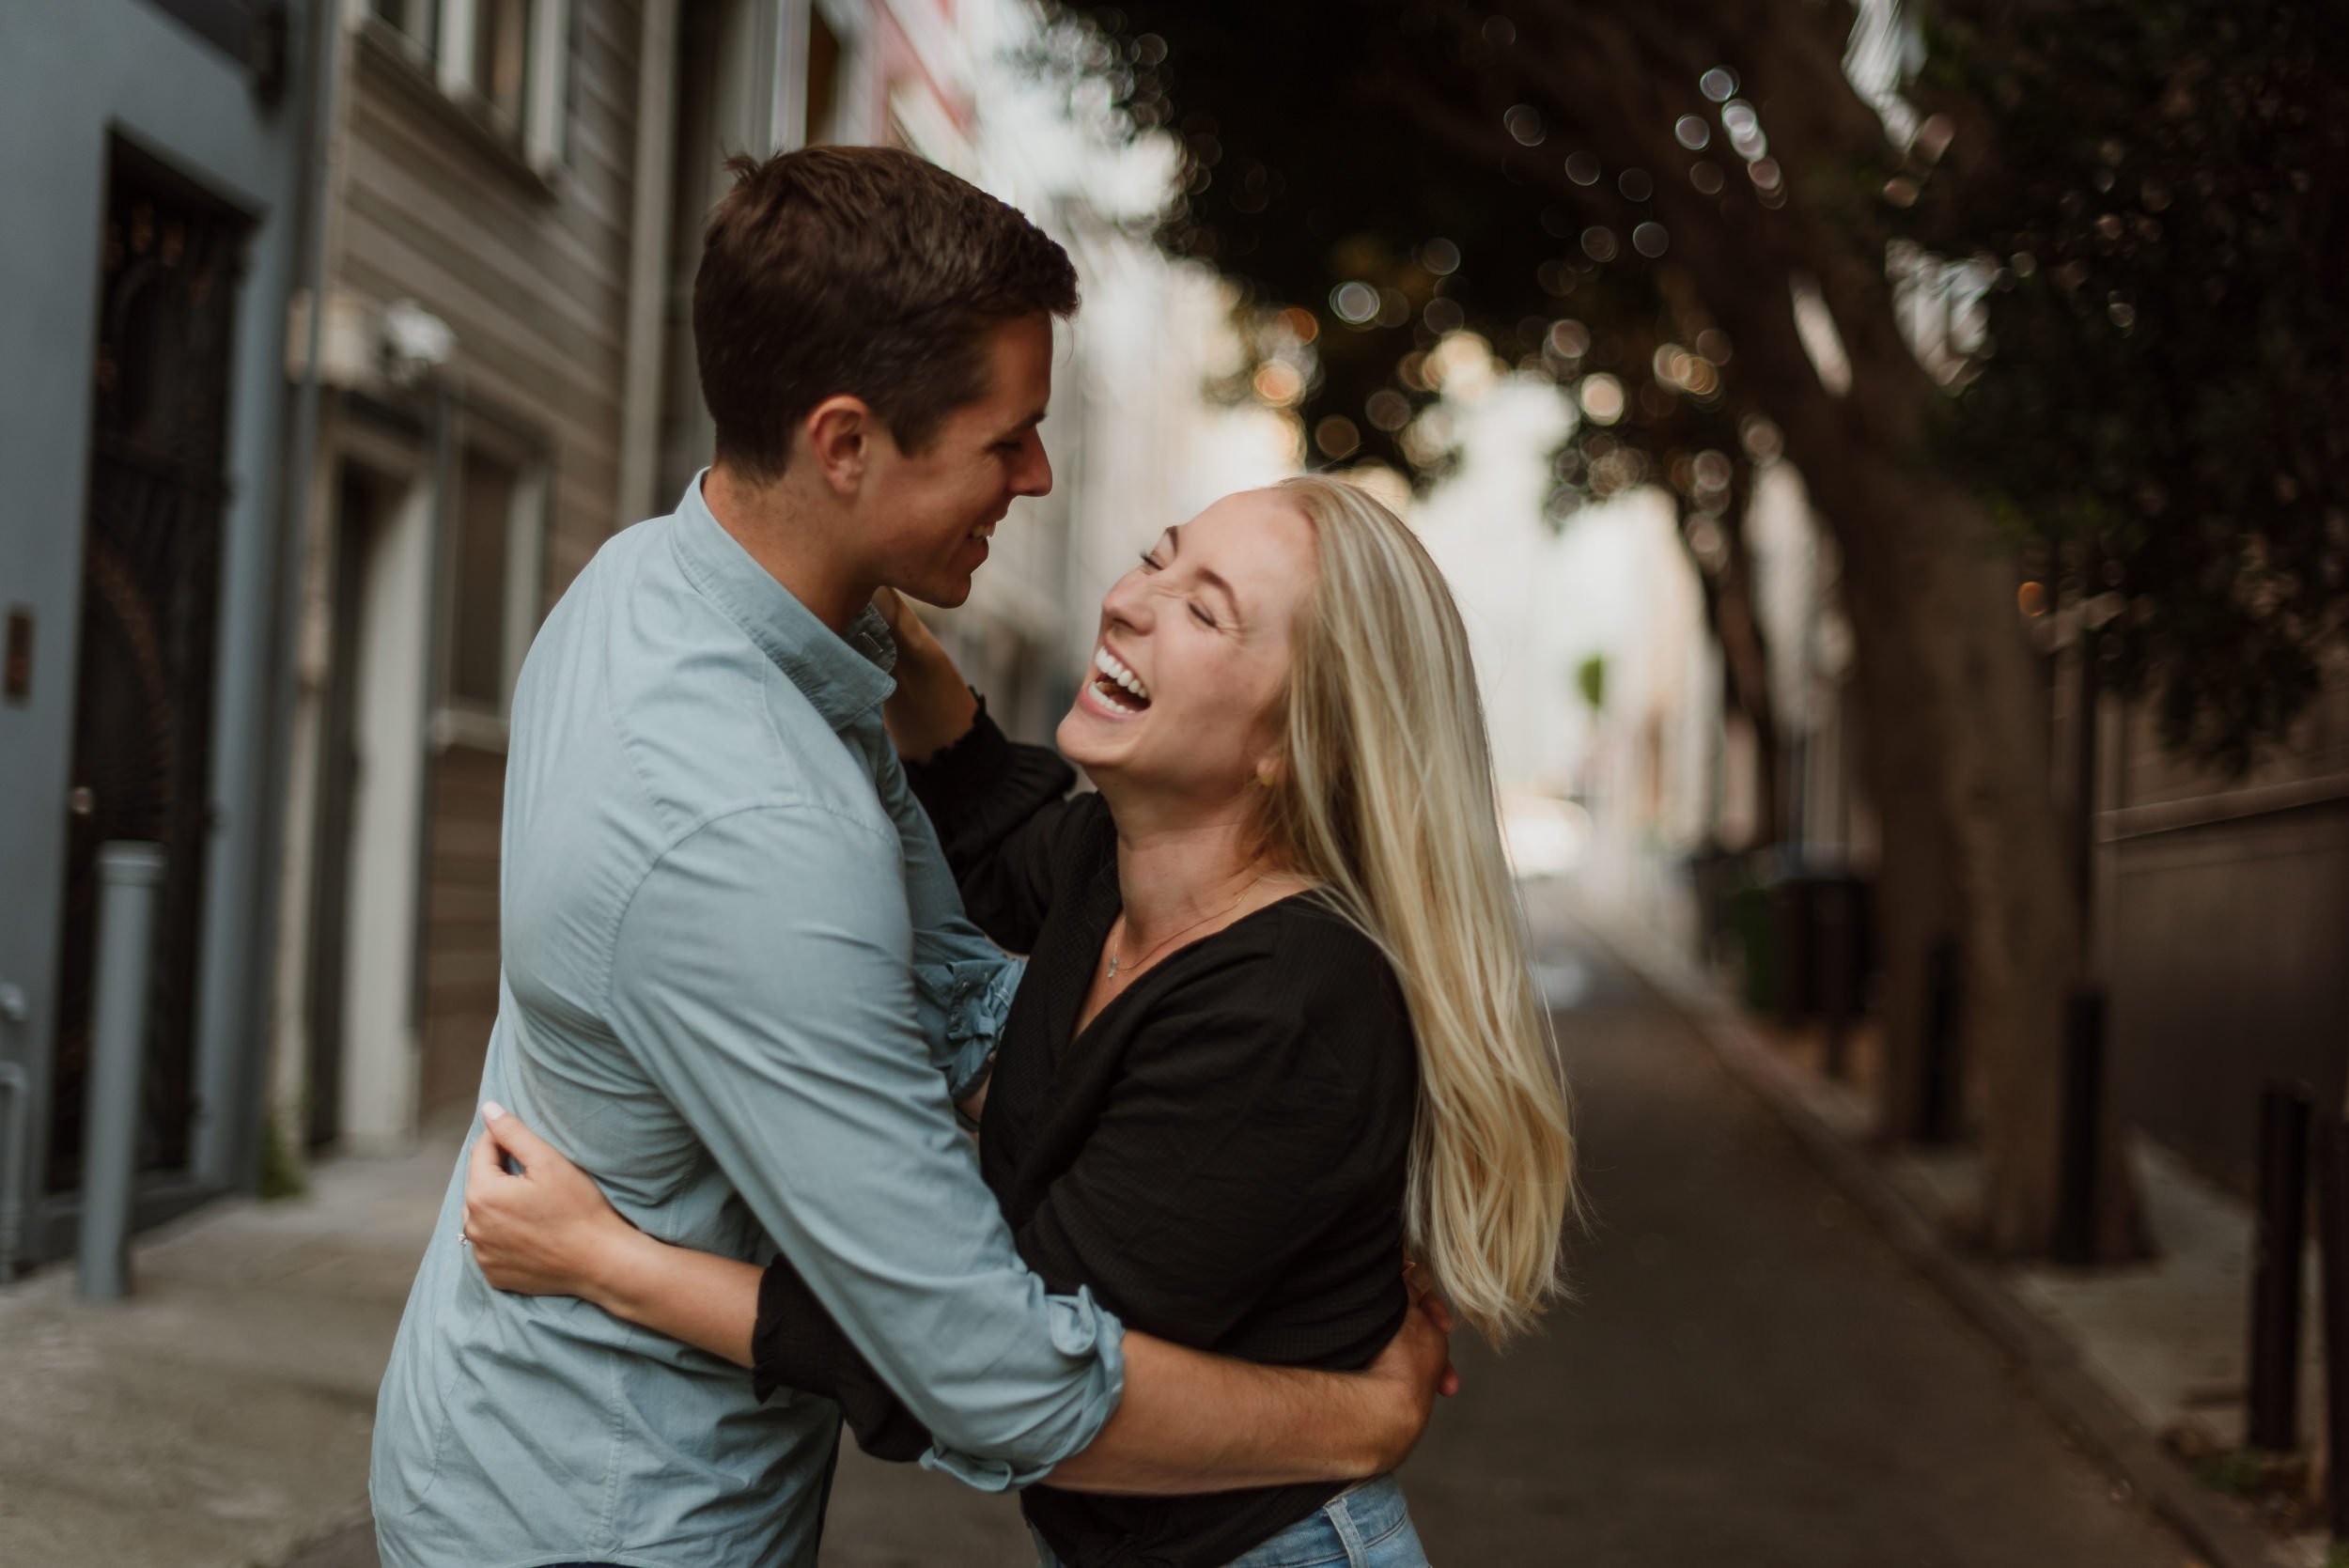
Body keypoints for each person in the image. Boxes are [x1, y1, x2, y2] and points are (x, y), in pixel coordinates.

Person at [368, 148, 1457, 1568]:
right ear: (844, 445)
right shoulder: (756, 826)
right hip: (611, 1514)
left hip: (505, 1441)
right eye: (1005, 437)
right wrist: (1347, 1422)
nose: (1043, 475)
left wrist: (1276, 1159)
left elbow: (957, 993)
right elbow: (985, 1364)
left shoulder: (652, 588)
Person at [460, 475, 1581, 1567]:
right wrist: (858, 586)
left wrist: (604, 1260)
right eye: (1158, 554)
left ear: (1297, 742)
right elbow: (996, 828)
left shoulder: (1287, 1011)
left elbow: (980, 1357)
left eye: (1203, 609)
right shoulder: (1120, 868)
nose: (1130, 599)